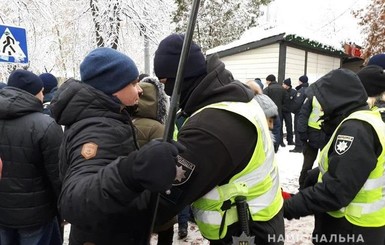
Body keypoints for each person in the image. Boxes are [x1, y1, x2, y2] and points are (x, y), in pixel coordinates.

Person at [153, 34, 284, 245]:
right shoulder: (237, 96)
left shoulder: (211, 126)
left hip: (243, 232)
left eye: (164, 82)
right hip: (261, 221)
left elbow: (164, 200)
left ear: (179, 78)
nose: (165, 90)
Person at [49, 47, 183, 245]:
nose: (139, 89)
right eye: (133, 83)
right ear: (113, 86)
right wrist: (131, 171)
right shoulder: (97, 128)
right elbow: (74, 201)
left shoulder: (107, 118)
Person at [284, 68, 385, 244]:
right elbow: (355, 168)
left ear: (336, 100)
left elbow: (336, 191)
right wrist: (316, 175)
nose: (321, 107)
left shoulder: (355, 129)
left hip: (351, 229)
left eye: (322, 101)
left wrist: (288, 207)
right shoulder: (367, 119)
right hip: (362, 227)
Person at [0, 69, 63, 245]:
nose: (43, 95)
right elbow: (58, 176)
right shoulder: (46, 125)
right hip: (36, 216)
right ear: (34, 93)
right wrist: (64, 209)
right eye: (42, 91)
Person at [132, 76, 175, 244]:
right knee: (165, 233)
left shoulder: (126, 122)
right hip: (156, 195)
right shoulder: (159, 128)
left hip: (133, 192)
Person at [296, 90, 327, 190]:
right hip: (311, 134)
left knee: (326, 165)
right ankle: (302, 186)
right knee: (307, 165)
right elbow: (303, 114)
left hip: (326, 134)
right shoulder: (312, 97)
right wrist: (303, 133)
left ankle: (322, 187)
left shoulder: (334, 97)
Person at [263, 74, 287, 152]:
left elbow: (264, 101)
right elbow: (285, 100)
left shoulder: (267, 89)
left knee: (269, 129)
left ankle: (271, 146)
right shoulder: (282, 89)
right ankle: (277, 145)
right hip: (279, 111)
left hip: (269, 113)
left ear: (269, 80)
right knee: (278, 129)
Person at [290, 75, 309, 153]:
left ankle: (298, 147)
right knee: (304, 130)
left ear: (301, 81)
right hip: (307, 113)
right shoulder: (310, 89)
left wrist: (293, 110)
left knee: (298, 129)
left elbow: (297, 103)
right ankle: (304, 145)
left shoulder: (301, 91)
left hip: (300, 113)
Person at [281, 78, 296, 146]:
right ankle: (281, 141)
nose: (282, 85)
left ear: (287, 85)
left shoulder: (293, 92)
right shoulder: (281, 91)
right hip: (281, 111)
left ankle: (290, 140)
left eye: (284, 84)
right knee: (280, 126)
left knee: (289, 126)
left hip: (288, 111)